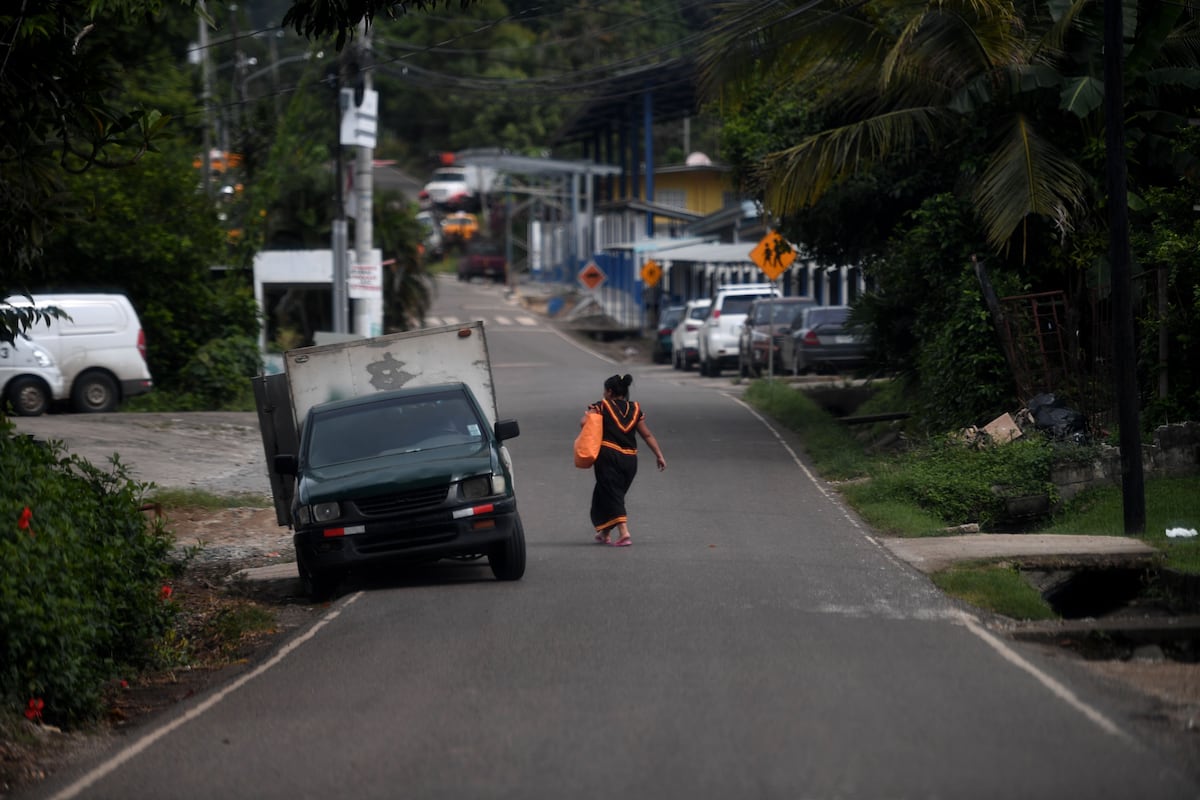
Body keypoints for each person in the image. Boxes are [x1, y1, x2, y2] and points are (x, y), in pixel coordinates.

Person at [581, 373, 666, 547]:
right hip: (630, 460)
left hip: (608, 456)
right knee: (607, 493)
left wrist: (589, 416)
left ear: (610, 391)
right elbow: (647, 435)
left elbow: (584, 423)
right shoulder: (635, 409)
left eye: (605, 391)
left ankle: (624, 532)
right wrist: (659, 454)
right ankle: (605, 533)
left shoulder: (601, 406)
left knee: (612, 494)